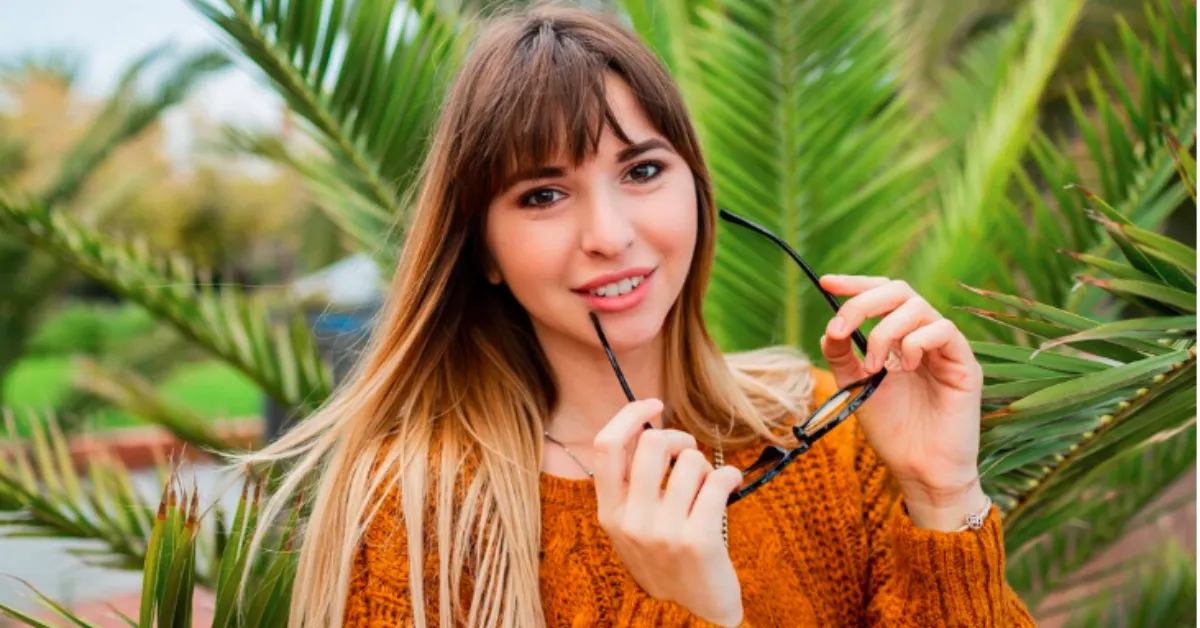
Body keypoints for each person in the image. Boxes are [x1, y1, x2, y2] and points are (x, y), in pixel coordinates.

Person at [237, 2, 1037, 626]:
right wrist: (689, 611)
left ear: (697, 191)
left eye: (643, 169)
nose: (611, 235)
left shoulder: (827, 445)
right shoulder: (415, 512)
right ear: (482, 248)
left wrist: (942, 497)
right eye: (543, 194)